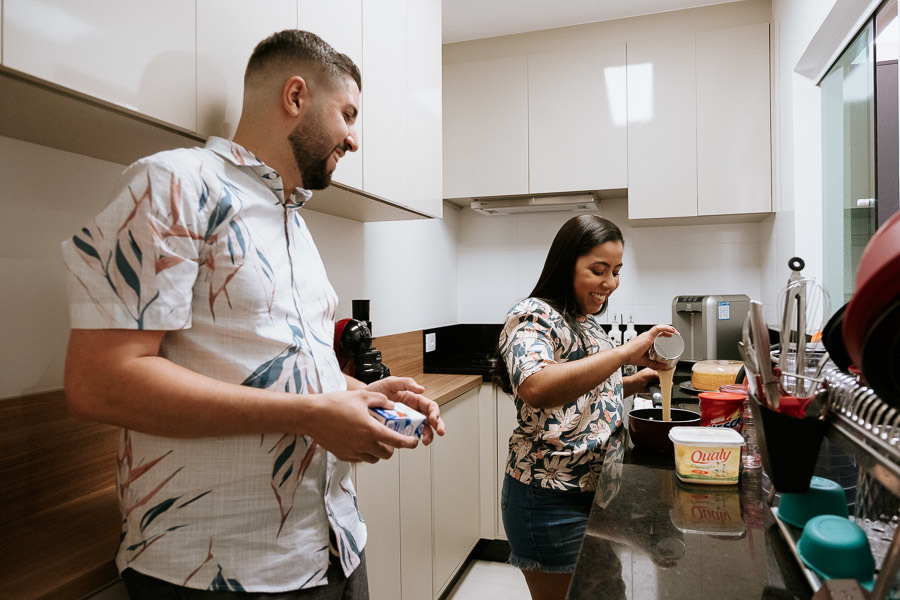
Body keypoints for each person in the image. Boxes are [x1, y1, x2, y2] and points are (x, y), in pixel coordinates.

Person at [61, 30, 444, 599]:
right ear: (296, 96)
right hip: (218, 570)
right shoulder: (174, 183)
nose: (354, 139)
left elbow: (273, 362)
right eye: (347, 114)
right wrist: (313, 414)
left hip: (333, 543)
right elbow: (99, 381)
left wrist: (359, 395)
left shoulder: (293, 218)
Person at [495, 214, 677, 600]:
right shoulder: (532, 315)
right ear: (567, 264)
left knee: (608, 592)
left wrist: (633, 381)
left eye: (616, 271)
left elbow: (583, 393)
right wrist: (627, 351)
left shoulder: (585, 321)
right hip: (549, 498)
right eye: (598, 270)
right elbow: (537, 387)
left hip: (592, 492)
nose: (610, 283)